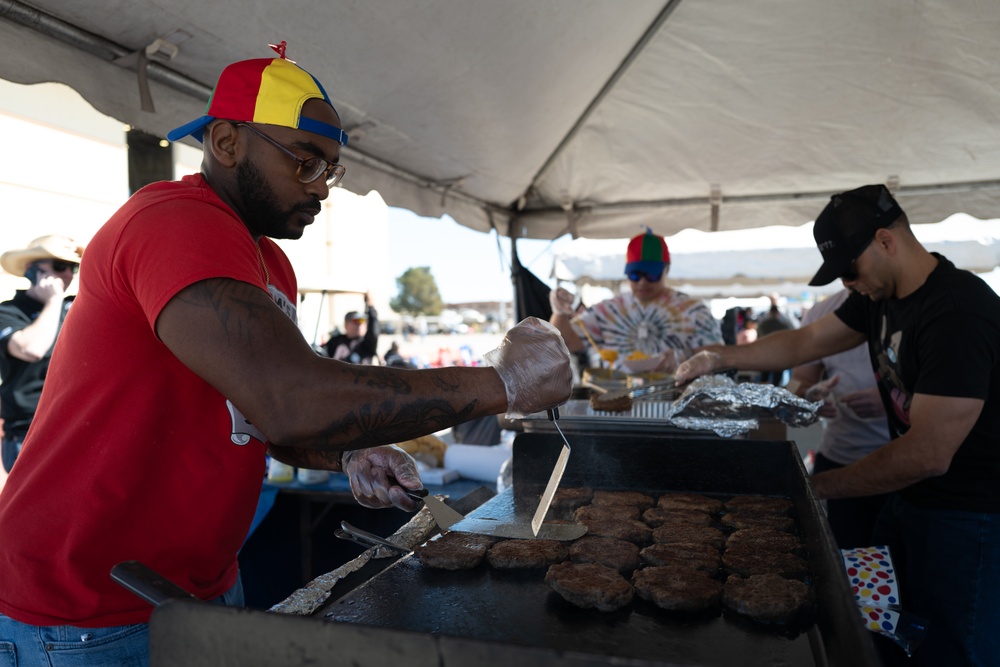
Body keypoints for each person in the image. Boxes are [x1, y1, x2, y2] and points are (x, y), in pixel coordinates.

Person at [0, 49, 572, 666]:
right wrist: (504, 382)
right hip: (82, 602)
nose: (322, 186)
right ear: (226, 141)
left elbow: (264, 419)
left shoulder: (270, 263)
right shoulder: (175, 220)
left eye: (331, 168)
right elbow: (291, 399)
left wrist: (349, 449)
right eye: (304, 161)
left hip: (196, 583)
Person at [675, 184, 1000, 667]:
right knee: (892, 632)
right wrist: (718, 355)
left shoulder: (957, 313)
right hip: (909, 503)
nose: (847, 283)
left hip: (968, 517)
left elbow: (927, 454)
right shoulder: (879, 296)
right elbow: (804, 342)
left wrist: (809, 487)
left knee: (954, 649)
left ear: (886, 240)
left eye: (850, 269)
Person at [787, 288, 890, 548]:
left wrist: (892, 399)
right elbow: (799, 382)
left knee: (903, 571)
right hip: (841, 456)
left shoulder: (918, 307)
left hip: (905, 464)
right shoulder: (822, 312)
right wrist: (810, 396)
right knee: (845, 559)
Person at [549, 228, 723, 373]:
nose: (642, 282)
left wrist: (685, 355)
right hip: (616, 402)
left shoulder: (693, 310)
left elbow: (719, 356)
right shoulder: (608, 310)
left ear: (666, 270)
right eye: (635, 275)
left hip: (677, 398)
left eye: (651, 274)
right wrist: (559, 312)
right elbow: (566, 342)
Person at [0, 234, 84, 472]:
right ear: (31, 270)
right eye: (59, 266)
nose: (67, 274)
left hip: (73, 424)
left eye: (73, 267)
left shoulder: (76, 307)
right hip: (29, 431)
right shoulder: (8, 311)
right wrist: (54, 300)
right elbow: (31, 349)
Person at [324, 292, 379, 363]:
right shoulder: (335, 341)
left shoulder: (366, 343)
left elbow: (373, 331)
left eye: (362, 321)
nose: (359, 325)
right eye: (356, 321)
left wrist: (371, 307)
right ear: (346, 325)